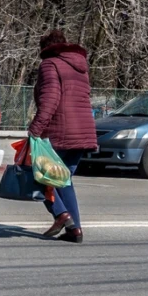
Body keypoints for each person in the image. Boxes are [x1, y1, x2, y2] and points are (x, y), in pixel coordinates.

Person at [28, 28, 98, 243]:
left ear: (46, 48)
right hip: (83, 132)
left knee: (38, 174)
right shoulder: (80, 68)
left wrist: (35, 129)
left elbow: (50, 99)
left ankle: (61, 214)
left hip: (60, 131)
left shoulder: (50, 64)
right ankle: (74, 230)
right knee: (63, 180)